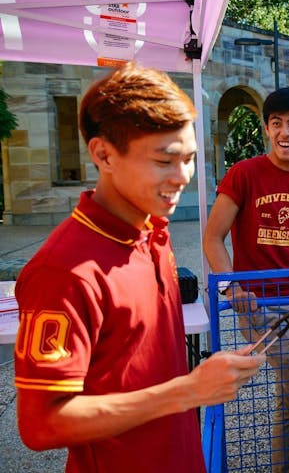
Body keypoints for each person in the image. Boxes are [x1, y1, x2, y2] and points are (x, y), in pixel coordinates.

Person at [13, 62, 266, 473]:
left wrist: (195, 381)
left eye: (189, 159)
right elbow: (40, 424)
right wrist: (187, 390)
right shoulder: (63, 271)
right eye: (165, 160)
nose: (182, 176)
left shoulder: (152, 232)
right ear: (103, 154)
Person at [203, 87, 289, 472]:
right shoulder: (243, 174)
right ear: (266, 129)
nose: (284, 132)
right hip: (257, 305)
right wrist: (232, 286)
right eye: (276, 123)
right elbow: (213, 237)